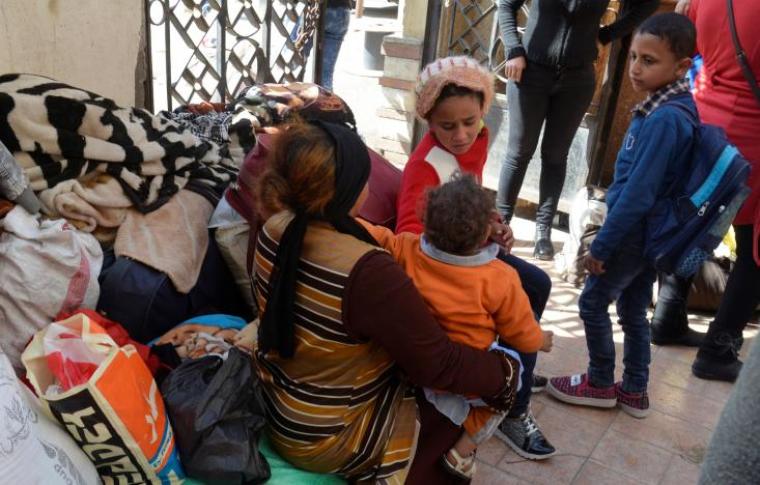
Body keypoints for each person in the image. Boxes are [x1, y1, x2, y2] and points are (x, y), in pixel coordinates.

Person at [251, 120, 520, 483]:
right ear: (349, 191)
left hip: (277, 403)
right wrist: (505, 373)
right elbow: (438, 364)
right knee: (452, 400)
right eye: (365, 178)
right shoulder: (365, 270)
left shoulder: (275, 225)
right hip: (326, 438)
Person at [396, 55, 556, 460]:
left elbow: (473, 199)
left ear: (483, 110)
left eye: (470, 121)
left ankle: (517, 361)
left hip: (469, 248)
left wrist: (492, 222)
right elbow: (410, 234)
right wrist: (470, 241)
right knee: (530, 286)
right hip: (447, 263)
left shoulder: (478, 141)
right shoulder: (425, 165)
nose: (462, 134)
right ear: (429, 122)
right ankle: (513, 405)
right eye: (448, 126)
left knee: (534, 286)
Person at [547, 13, 698, 419]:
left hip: (632, 234)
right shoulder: (670, 107)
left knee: (593, 303)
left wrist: (603, 243)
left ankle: (598, 382)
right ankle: (634, 390)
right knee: (632, 310)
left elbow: (637, 194)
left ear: (682, 66)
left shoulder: (665, 118)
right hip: (647, 236)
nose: (635, 68)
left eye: (649, 61)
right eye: (633, 56)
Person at [361, 174, 554, 478]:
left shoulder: (408, 249)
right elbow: (522, 336)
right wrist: (542, 339)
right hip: (467, 374)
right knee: (509, 387)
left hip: (417, 364)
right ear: (483, 236)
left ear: (425, 221)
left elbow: (375, 235)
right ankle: (461, 452)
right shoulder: (500, 278)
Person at [496, 0, 659, 260]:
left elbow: (648, 4)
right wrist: (513, 49)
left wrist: (607, 35)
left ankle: (543, 230)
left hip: (576, 79)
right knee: (519, 153)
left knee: (555, 156)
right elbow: (506, 6)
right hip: (530, 73)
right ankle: (499, 225)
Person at [650, 0, 760, 382]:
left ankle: (667, 316)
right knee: (753, 250)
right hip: (753, 140)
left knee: (694, 225)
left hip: (705, 123)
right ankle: (718, 349)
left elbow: (679, 46)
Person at [293, 0, 351, 91]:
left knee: (294, 66)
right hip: (341, 10)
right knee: (326, 74)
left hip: (311, 9)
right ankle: (326, 103)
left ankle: (291, 100)